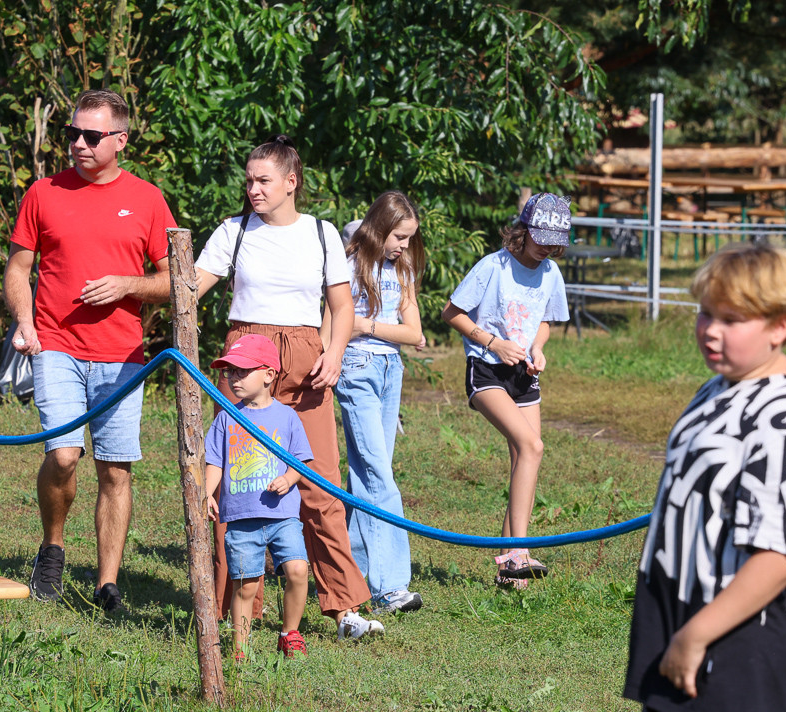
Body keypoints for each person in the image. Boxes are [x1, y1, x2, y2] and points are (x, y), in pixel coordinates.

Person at [623, 244, 786, 712]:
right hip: (682, 628)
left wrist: (696, 637)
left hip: (734, 649)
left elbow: (781, 554)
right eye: (706, 313)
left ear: (780, 325)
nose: (710, 330)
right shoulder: (720, 387)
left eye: (731, 319)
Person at [194, 134, 383, 641]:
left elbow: (342, 307)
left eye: (263, 180)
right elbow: (188, 288)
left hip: (305, 361)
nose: (252, 188)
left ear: (290, 182)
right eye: (249, 179)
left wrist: (335, 353)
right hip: (246, 358)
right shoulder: (233, 231)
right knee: (237, 484)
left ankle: (344, 607)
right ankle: (237, 607)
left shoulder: (321, 234)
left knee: (319, 483)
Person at [3, 89, 177, 614]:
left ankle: (107, 585)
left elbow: (173, 282)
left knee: (115, 471)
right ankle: (52, 548)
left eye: (91, 136)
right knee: (63, 455)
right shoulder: (43, 193)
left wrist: (127, 284)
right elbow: (17, 269)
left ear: (120, 140)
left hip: (123, 355)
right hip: (54, 343)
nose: (78, 143)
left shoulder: (148, 199)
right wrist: (23, 321)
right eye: (72, 133)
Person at [442, 192, 570, 588]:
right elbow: (451, 313)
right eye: (541, 237)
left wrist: (538, 348)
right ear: (523, 230)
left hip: (524, 373)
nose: (547, 246)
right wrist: (491, 342)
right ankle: (519, 553)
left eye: (555, 240)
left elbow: (546, 318)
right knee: (532, 447)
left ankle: (507, 571)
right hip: (487, 371)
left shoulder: (550, 272)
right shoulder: (493, 266)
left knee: (524, 459)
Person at [331, 191, 426, 614]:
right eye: (400, 237)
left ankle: (352, 571)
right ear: (380, 227)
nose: (405, 246)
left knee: (368, 475)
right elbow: (333, 322)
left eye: (409, 238)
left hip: (391, 372)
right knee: (379, 476)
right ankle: (391, 587)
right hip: (356, 369)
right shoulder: (350, 265)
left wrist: (365, 324)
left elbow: (415, 334)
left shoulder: (399, 268)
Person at [204, 334, 313, 659]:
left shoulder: (287, 417)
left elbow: (302, 459)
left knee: (297, 571)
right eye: (229, 372)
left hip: (283, 516)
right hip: (241, 518)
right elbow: (214, 461)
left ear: (268, 374)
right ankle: (239, 650)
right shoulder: (226, 417)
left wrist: (288, 478)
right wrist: (207, 493)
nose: (233, 378)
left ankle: (289, 633)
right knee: (246, 585)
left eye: (241, 371)